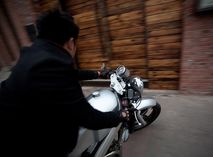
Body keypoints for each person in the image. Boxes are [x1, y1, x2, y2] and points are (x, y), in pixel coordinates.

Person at [0, 10, 128, 157]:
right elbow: (89, 119)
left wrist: (97, 74)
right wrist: (120, 116)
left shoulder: (33, 54)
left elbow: (66, 75)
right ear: (71, 42)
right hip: (36, 145)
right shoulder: (55, 65)